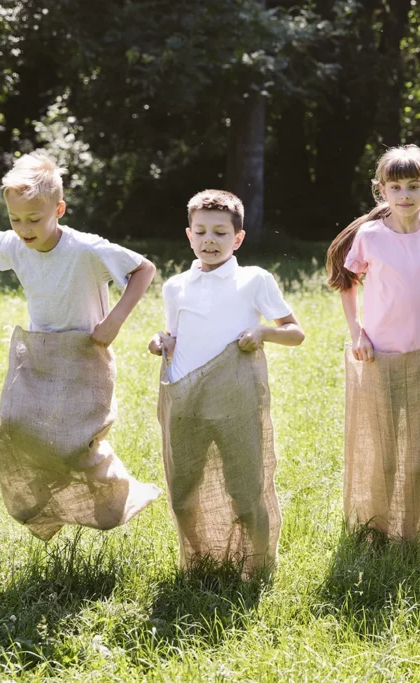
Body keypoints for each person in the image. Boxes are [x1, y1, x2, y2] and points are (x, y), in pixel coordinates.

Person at [0, 150, 159, 540]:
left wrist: (114, 320)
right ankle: (45, 507)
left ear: (60, 209)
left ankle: (123, 493)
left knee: (74, 445)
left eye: (34, 219)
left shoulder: (86, 249)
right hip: (39, 352)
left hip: (86, 352)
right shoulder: (14, 243)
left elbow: (144, 269)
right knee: (12, 429)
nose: (24, 228)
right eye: (15, 219)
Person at [326, 144, 420, 539]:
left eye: (414, 186)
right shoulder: (370, 236)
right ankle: (376, 526)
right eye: (396, 187)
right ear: (382, 191)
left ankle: (416, 528)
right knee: (386, 452)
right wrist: (357, 332)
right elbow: (348, 286)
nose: (405, 195)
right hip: (381, 356)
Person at [149, 189, 304, 574]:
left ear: (238, 238)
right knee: (184, 491)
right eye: (200, 232)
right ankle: (199, 563)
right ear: (189, 235)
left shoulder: (253, 280)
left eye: (220, 233)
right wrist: (160, 342)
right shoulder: (175, 287)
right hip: (186, 400)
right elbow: (174, 336)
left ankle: (257, 567)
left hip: (237, 398)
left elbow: (296, 332)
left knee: (245, 490)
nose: (209, 240)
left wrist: (263, 332)